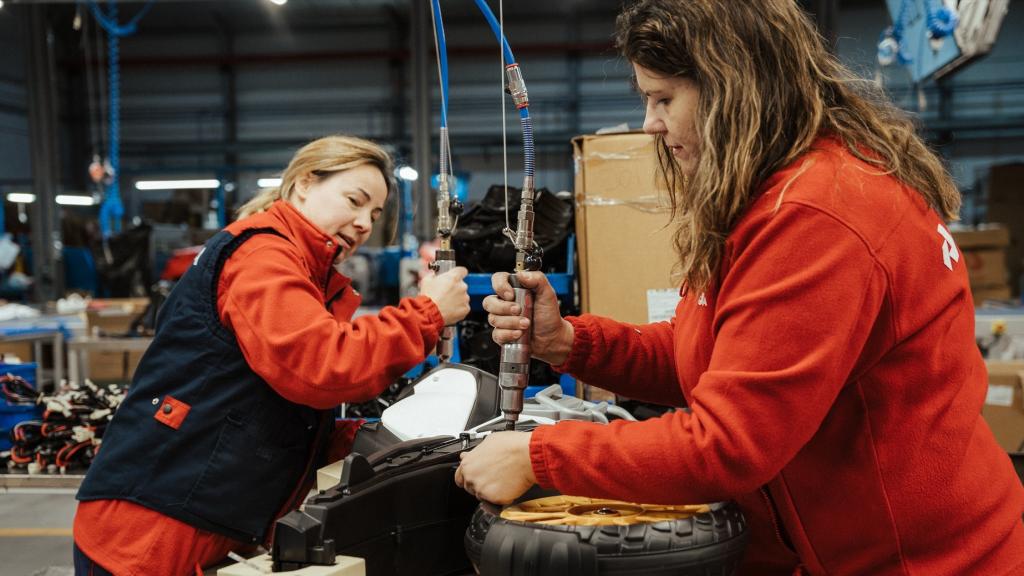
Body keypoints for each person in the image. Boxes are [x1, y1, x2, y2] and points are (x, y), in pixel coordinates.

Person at [455, 1, 1024, 574]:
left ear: (732, 88)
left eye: (664, 99)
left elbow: (729, 444)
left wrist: (539, 456)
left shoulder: (818, 213)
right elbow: (709, 362)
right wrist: (570, 341)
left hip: (925, 561)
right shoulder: (769, 197)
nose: (651, 122)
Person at [73, 135, 471, 575]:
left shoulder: (303, 269)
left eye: (374, 215)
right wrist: (427, 314)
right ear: (304, 183)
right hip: (151, 534)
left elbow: (268, 397)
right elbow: (322, 368)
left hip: (200, 522)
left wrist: (361, 438)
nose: (363, 223)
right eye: (354, 201)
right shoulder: (264, 255)